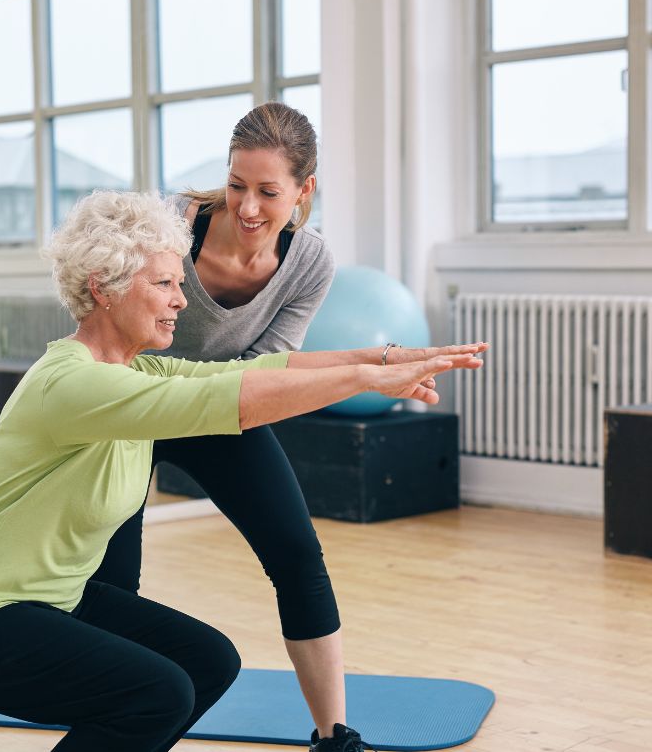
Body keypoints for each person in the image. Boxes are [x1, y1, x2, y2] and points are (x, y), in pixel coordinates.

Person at [0, 190, 486, 752]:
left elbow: (260, 372)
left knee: (207, 662)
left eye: (179, 284)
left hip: (52, 599)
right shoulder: (73, 383)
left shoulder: (142, 371)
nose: (181, 301)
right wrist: (365, 380)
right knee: (157, 693)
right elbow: (233, 403)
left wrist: (383, 358)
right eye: (164, 284)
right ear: (103, 288)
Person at [90, 102, 481, 750]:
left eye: (268, 192)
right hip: (135, 404)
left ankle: (334, 736)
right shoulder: (169, 230)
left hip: (223, 405)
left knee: (298, 556)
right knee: (113, 581)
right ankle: (115, 722)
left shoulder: (308, 263)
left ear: (304, 190)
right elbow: (104, 321)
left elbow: (267, 372)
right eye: (236, 184)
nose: (247, 207)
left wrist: (371, 367)